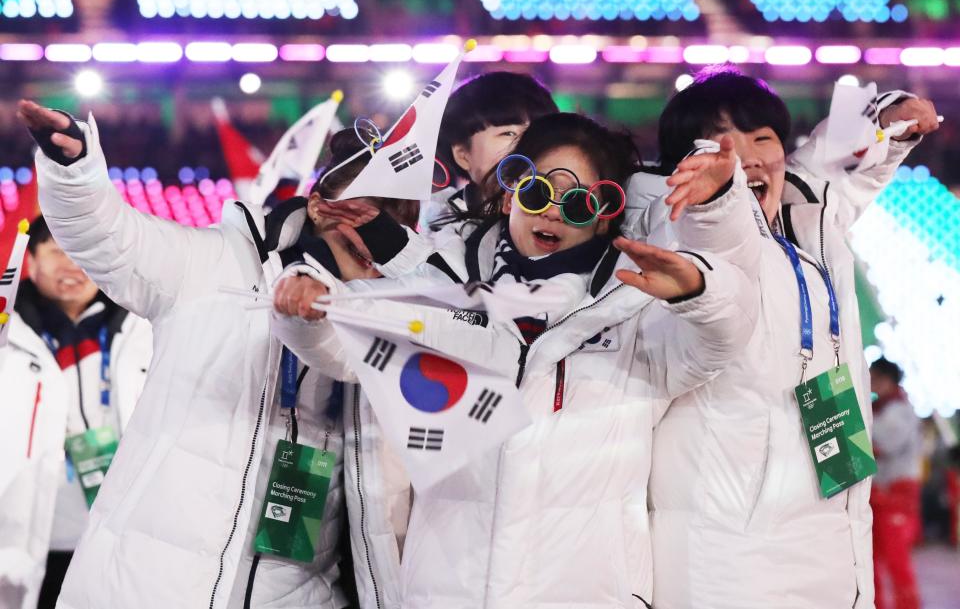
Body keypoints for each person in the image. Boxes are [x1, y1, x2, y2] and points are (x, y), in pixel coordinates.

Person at [272, 112, 759, 608]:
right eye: (535, 194)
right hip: (448, 590)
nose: (550, 214)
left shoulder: (633, 308)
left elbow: (725, 338)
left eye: (575, 205)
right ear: (510, 195)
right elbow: (350, 354)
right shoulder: (443, 292)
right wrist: (309, 313)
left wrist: (698, 290)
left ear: (603, 213)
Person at [17, 99, 418, 609]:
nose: (380, 239)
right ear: (318, 204)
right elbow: (112, 237)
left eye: (401, 224)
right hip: (154, 580)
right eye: (367, 213)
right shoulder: (212, 260)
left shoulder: (395, 315)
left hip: (296, 587)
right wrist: (74, 173)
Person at [641, 68, 939, 609]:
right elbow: (717, 236)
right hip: (728, 547)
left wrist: (891, 118)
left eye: (762, 138)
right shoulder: (681, 233)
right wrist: (712, 203)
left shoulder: (810, 223)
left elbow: (841, 166)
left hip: (831, 526)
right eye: (720, 145)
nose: (749, 157)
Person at [0, 217, 152, 609]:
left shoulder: (147, 331)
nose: (73, 264)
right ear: (30, 262)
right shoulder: (8, 335)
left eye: (85, 253)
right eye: (56, 251)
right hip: (30, 536)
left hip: (120, 537)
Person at [422, 71, 558, 231]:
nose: (527, 145)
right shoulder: (434, 240)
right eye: (508, 133)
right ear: (463, 155)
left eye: (536, 132)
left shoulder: (564, 222)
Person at [869, 357, 923, 609]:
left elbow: (881, 446)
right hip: (878, 495)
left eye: (872, 377)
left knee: (896, 561)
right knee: (870, 561)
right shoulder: (879, 408)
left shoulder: (900, 409)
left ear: (885, 380)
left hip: (896, 496)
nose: (868, 382)